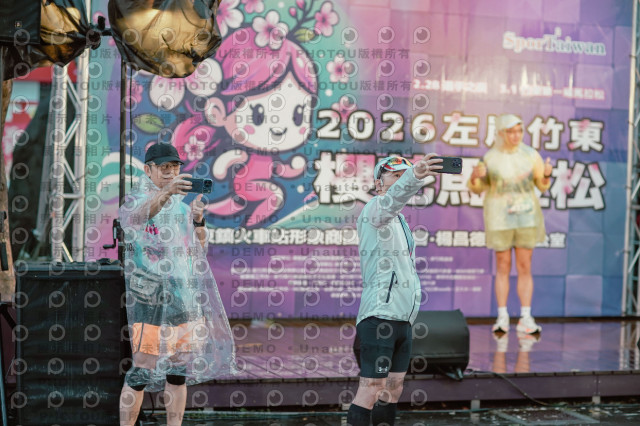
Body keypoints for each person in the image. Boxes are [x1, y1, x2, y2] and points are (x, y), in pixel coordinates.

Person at [118, 143, 235, 426]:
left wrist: (198, 221)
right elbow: (134, 220)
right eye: (164, 168)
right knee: (142, 369)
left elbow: (199, 251)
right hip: (149, 298)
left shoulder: (181, 208)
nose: (171, 172)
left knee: (179, 369)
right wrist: (167, 192)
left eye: (175, 167)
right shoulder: (135, 201)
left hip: (182, 296)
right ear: (148, 170)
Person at [347, 154, 443, 426]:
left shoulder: (398, 219)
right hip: (380, 317)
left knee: (394, 388)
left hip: (403, 319)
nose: (401, 181)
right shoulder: (376, 208)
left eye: (404, 175)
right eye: (395, 176)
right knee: (371, 389)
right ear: (379, 183)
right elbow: (393, 199)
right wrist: (415, 175)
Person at [467, 114, 552, 335]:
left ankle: (526, 317)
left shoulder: (531, 155)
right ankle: (502, 316)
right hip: (499, 217)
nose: (515, 135)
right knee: (503, 265)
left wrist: (546, 175)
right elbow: (477, 187)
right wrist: (475, 176)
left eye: (519, 131)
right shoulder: (490, 157)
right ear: (501, 133)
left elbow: (542, 185)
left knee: (525, 266)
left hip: (526, 217)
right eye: (510, 131)